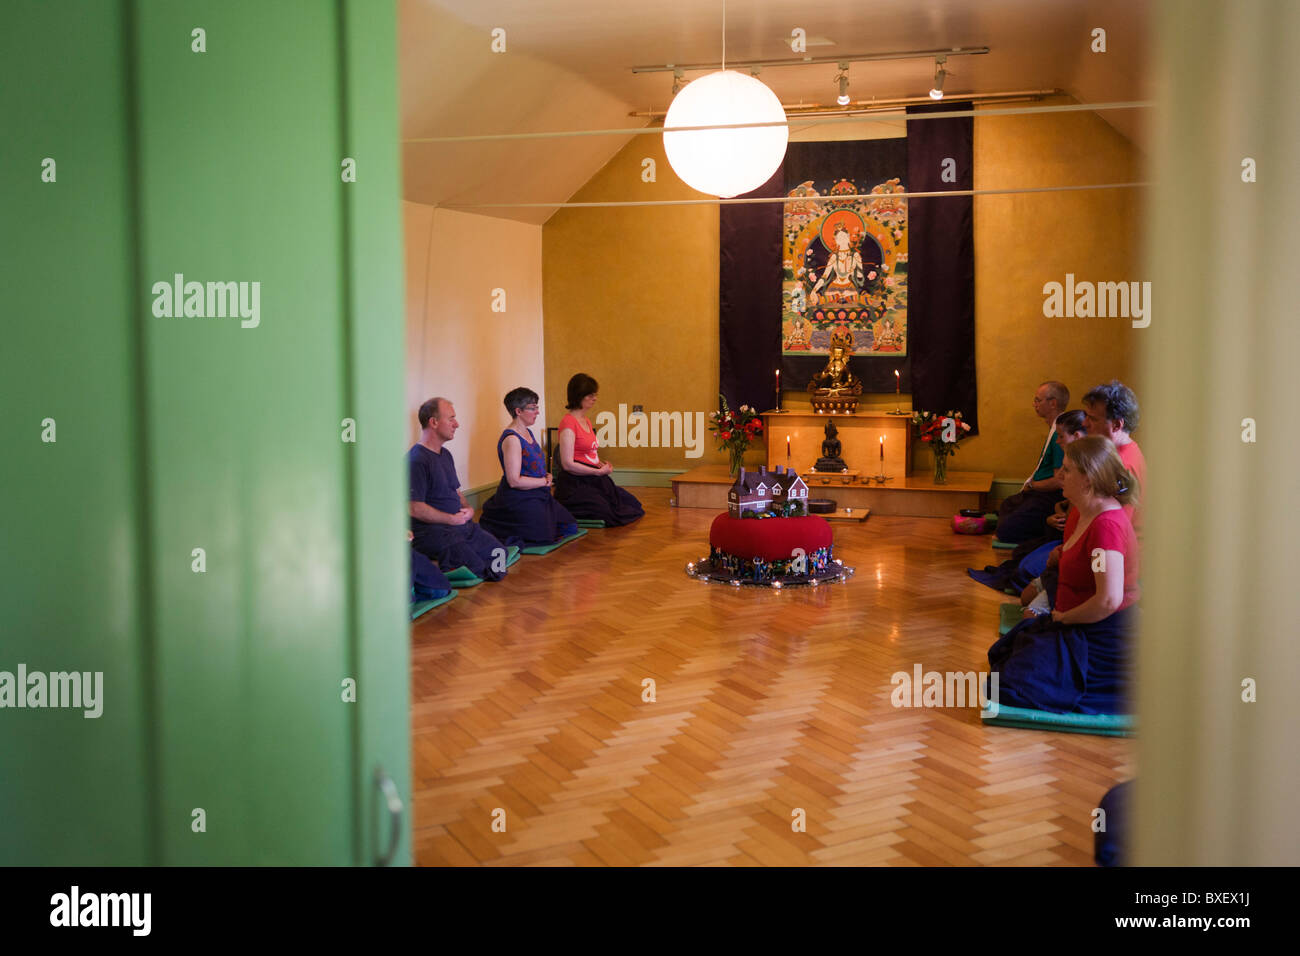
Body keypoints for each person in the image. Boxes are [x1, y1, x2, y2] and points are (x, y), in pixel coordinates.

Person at [986, 436, 1140, 714]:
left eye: (1067, 470)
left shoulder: (1106, 526)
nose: (1059, 475)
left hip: (1099, 632)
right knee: (1004, 655)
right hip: (1076, 621)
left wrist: (1063, 618)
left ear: (1088, 479)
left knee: (1010, 685)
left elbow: (1108, 599)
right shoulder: (1085, 511)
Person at [408, 397, 515, 582]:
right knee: (478, 569)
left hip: (460, 526)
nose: (456, 424)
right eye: (451, 418)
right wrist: (451, 519)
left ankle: (458, 561)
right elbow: (414, 507)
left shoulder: (445, 454)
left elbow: (456, 492)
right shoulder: (416, 460)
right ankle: (439, 568)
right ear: (433, 422)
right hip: (433, 532)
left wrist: (469, 509)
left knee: (499, 554)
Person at [479, 387, 580, 547]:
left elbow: (533, 466)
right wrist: (543, 482)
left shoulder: (528, 433)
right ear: (518, 411)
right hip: (518, 498)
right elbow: (514, 481)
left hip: (538, 494)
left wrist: (546, 476)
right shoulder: (512, 439)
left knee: (569, 525)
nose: (537, 412)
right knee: (543, 536)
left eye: (537, 407)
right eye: (533, 408)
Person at [553, 373, 644, 526]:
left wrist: (601, 464)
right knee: (607, 513)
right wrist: (596, 471)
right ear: (579, 396)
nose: (594, 398)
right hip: (575, 482)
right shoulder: (568, 424)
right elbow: (567, 464)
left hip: (593, 477)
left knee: (633, 505)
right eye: (590, 395)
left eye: (595, 394)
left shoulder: (586, 420)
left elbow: (587, 453)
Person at [995, 381, 1069, 543]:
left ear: (1053, 403)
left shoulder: (1060, 434)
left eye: (1038, 400)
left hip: (1049, 495)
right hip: (1040, 491)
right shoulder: (1055, 429)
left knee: (1006, 530)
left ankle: (1047, 528)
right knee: (1007, 504)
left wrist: (1033, 486)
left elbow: (1059, 480)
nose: (1034, 404)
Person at [1082, 380, 1146, 533]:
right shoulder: (1120, 453)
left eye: (1093, 418)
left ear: (1117, 425)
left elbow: (1112, 530)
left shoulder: (1122, 466)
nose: (1085, 423)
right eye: (1086, 416)